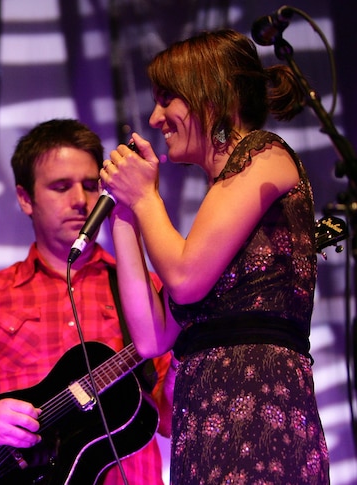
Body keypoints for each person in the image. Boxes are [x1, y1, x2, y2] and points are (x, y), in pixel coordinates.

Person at [102, 29, 329, 483]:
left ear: (211, 94)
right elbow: (150, 338)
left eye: (168, 99)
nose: (154, 118)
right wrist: (125, 213)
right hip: (205, 428)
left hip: (260, 416)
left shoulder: (265, 155)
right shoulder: (214, 219)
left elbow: (184, 279)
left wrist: (147, 200)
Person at [0, 119, 174, 484]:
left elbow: (169, 420)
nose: (80, 200)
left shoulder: (145, 289)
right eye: (60, 187)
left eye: (91, 186)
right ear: (25, 199)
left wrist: (186, 351)